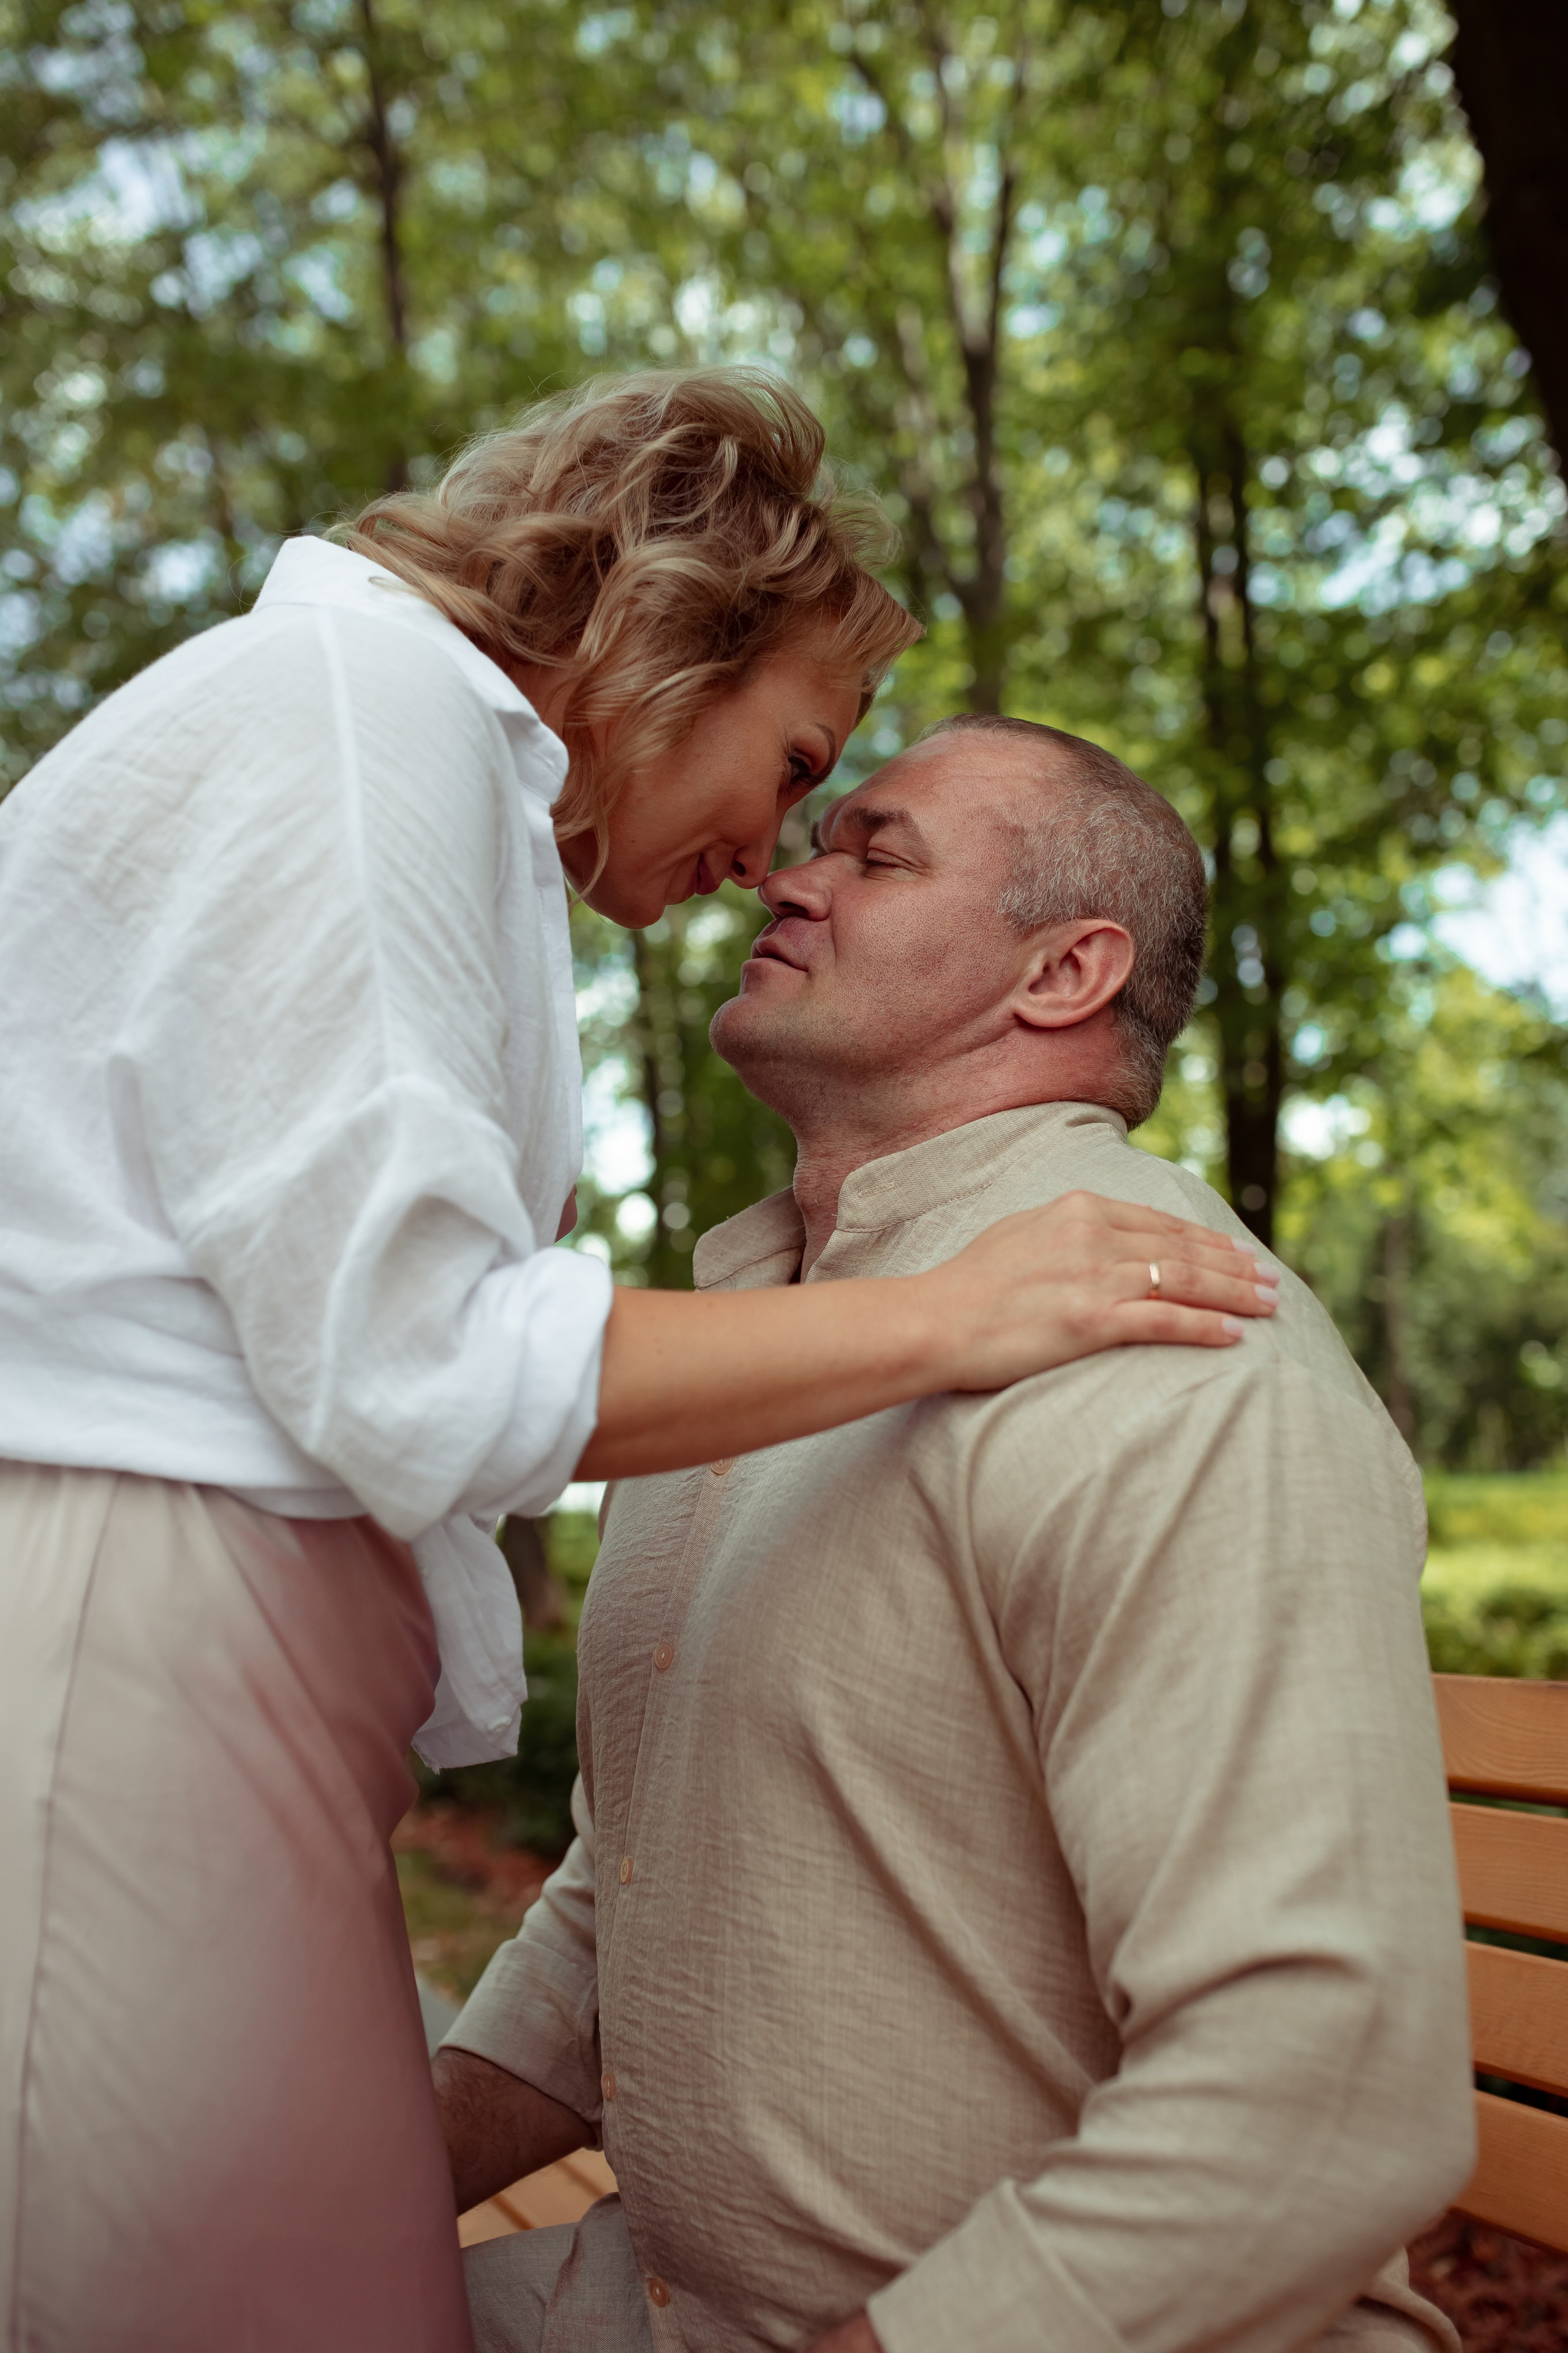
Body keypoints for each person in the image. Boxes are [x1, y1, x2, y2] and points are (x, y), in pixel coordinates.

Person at [0, 375, 1275, 2353]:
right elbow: (415, 1358)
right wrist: (948, 1315)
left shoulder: (389, 744)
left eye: (849, 810)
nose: (775, 852)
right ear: (675, 619)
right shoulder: (370, 724)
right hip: (137, 1667)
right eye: (797, 764)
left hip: (197, 1682)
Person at [435, 714, 1475, 2353]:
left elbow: (1323, 2085)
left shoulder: (1178, 1355)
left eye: (876, 849)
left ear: (1064, 974)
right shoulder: (762, 1341)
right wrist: (380, 2162)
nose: (788, 871)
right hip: (657, 2301)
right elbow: (627, 1884)